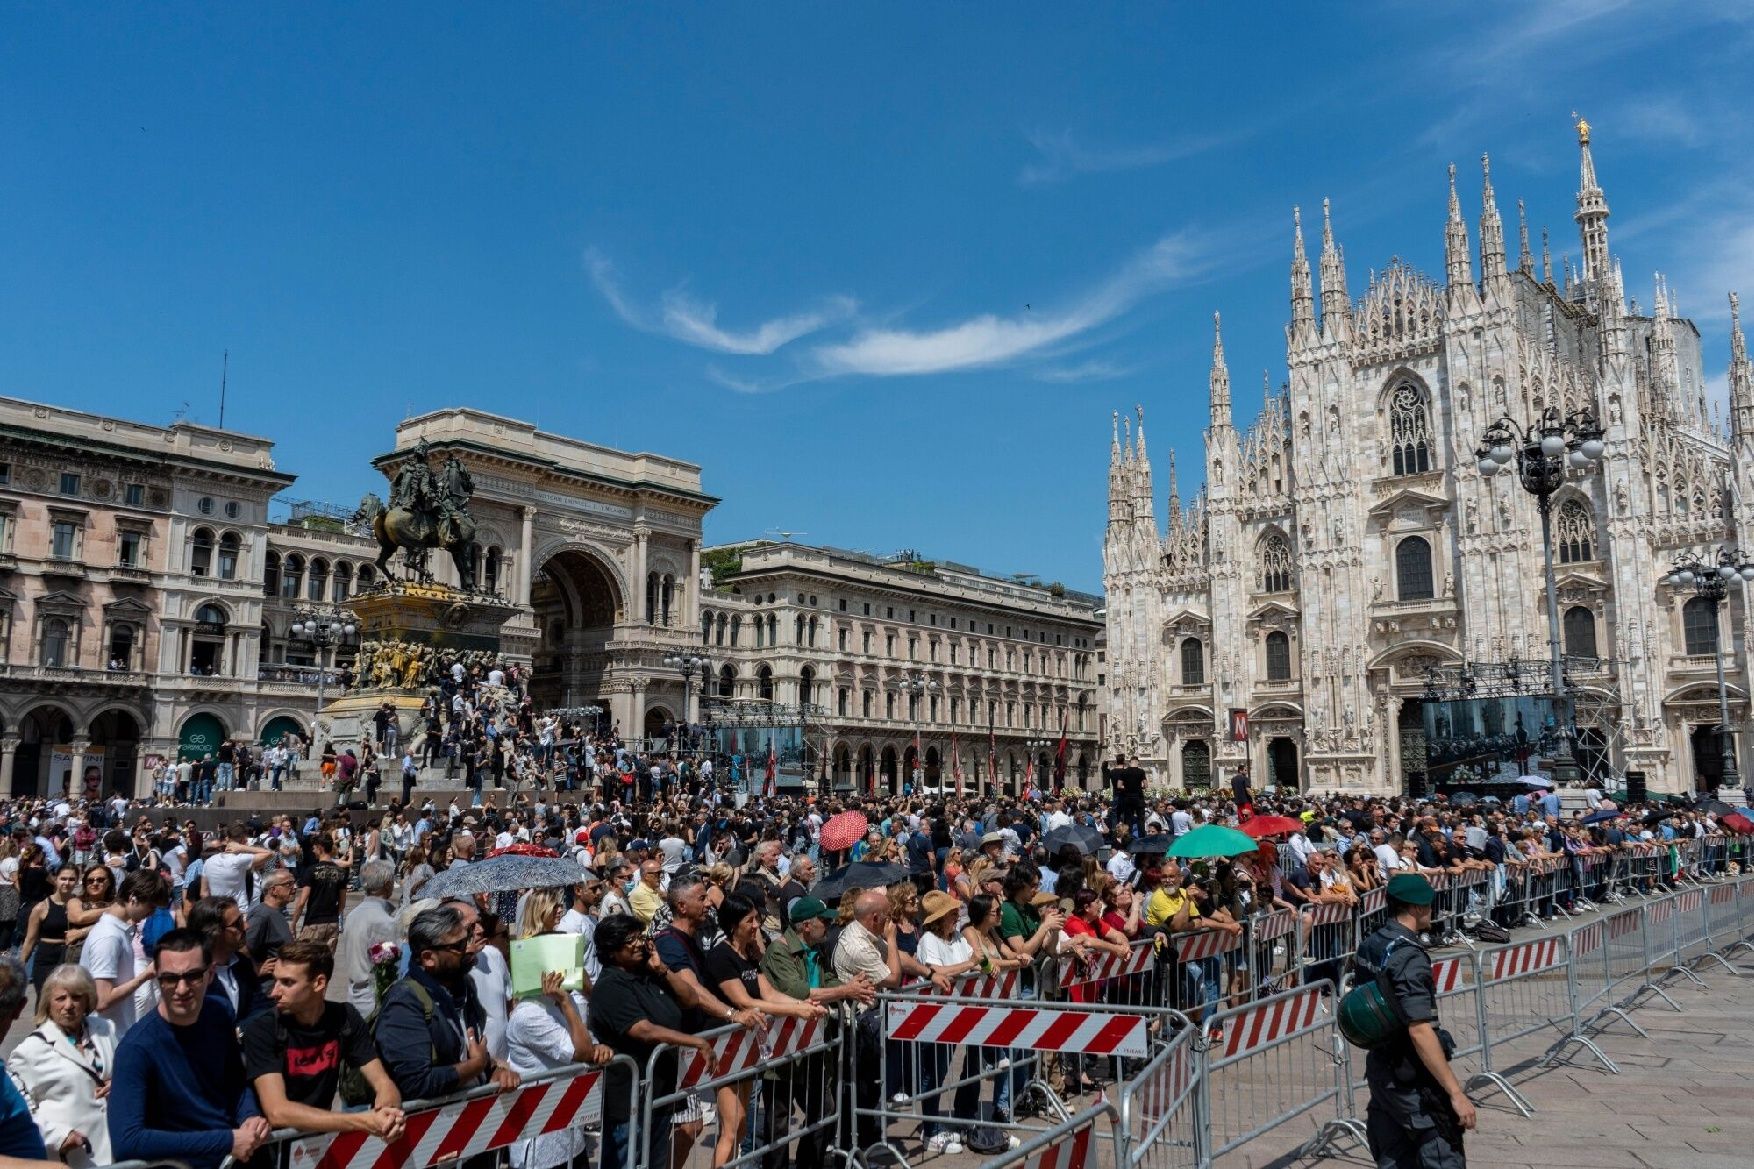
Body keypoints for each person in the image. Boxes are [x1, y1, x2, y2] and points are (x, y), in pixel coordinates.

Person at [107, 928, 269, 1169]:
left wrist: (250, 1116)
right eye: (170, 978)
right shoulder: (136, 1049)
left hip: (238, 1157)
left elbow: (235, 1081)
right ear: (156, 978)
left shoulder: (220, 1012)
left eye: (193, 976)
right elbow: (127, 1141)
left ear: (211, 974)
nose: (181, 989)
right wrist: (226, 1140)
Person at [1353, 873, 1476, 1169]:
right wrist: (1455, 1092)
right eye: (1430, 906)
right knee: (1441, 1149)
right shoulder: (1408, 956)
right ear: (1417, 908)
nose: (1432, 911)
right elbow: (1419, 1029)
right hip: (1411, 1077)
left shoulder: (1372, 943)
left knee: (1393, 1155)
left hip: (1382, 1068)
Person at [702, 895, 827, 1169]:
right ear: (734, 925)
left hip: (745, 1048)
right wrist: (796, 1011)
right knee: (732, 1128)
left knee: (742, 1125)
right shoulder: (720, 955)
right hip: (725, 1046)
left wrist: (803, 1004)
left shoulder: (747, 954)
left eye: (757, 919)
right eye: (750, 920)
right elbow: (744, 1001)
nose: (757, 925)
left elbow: (769, 992)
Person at [587, 914, 715, 1169]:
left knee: (654, 1161)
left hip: (659, 1093)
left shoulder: (649, 973)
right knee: (627, 1161)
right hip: (628, 1101)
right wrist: (694, 1042)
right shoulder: (610, 985)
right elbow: (643, 1030)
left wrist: (662, 969)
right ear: (612, 951)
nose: (638, 944)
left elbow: (690, 999)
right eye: (629, 941)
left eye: (639, 937)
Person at [242, 942, 404, 1138]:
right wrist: (363, 1121)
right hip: (272, 1147)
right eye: (275, 980)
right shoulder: (263, 1029)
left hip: (318, 1142)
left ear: (319, 983)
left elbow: (382, 1081)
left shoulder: (344, 1017)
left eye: (287, 983)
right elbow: (277, 1112)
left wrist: (388, 1115)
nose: (274, 992)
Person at [375, 905, 518, 1102]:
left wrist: (493, 1071)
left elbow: (466, 1053)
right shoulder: (405, 1003)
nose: (469, 947)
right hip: (430, 1127)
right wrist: (476, 1065)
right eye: (459, 946)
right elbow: (416, 1083)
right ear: (428, 958)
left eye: (467, 937)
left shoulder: (464, 987)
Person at [6, 964, 115, 1166]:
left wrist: (119, 1084)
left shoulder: (106, 1030)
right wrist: (58, 1136)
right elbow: (22, 1110)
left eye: (76, 997)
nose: (69, 1005)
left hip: (114, 1147)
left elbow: (127, 1071)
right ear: (48, 1003)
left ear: (88, 999)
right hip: (73, 1155)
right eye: (60, 999)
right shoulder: (29, 1051)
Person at [79, 870, 164, 1038]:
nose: (152, 913)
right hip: (106, 1039)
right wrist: (145, 975)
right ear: (133, 898)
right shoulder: (109, 936)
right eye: (151, 906)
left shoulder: (117, 931)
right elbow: (102, 1000)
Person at [330, 861, 398, 1014]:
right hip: (373, 997)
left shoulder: (354, 914)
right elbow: (388, 965)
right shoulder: (383, 921)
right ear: (387, 884)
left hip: (355, 992)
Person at [186, 896, 264, 1024]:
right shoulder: (193, 976)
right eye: (237, 923)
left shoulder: (243, 963)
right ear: (214, 933)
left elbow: (260, 1005)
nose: (246, 926)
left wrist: (241, 1031)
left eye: (243, 919)